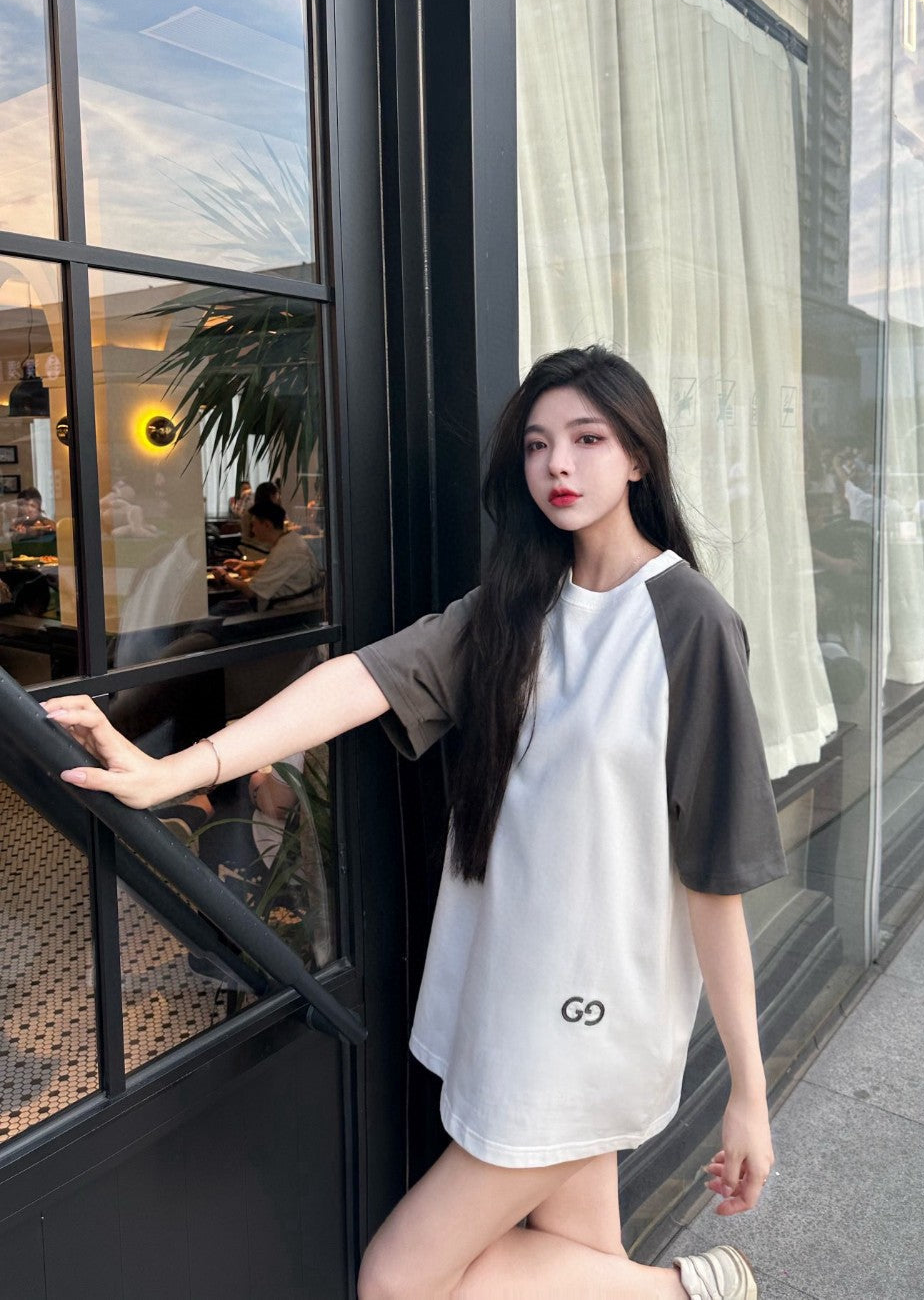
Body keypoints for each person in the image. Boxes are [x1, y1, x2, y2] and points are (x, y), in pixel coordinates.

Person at [43, 347, 785, 1300]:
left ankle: (694, 1289)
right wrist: (174, 770)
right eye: (538, 445)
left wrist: (749, 1090)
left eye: (589, 439)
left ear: (638, 456)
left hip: (589, 1016)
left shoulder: (690, 623)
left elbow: (715, 874)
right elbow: (356, 681)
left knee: (399, 1279)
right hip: (508, 988)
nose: (559, 464)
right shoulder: (516, 608)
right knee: (579, 1257)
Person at [214, 499, 323, 611]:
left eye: (254, 525)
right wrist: (246, 564)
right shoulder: (291, 539)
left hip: (287, 612)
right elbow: (278, 562)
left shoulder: (284, 550)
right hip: (300, 604)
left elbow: (250, 591)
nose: (252, 530)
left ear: (267, 525)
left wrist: (224, 577)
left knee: (218, 609)